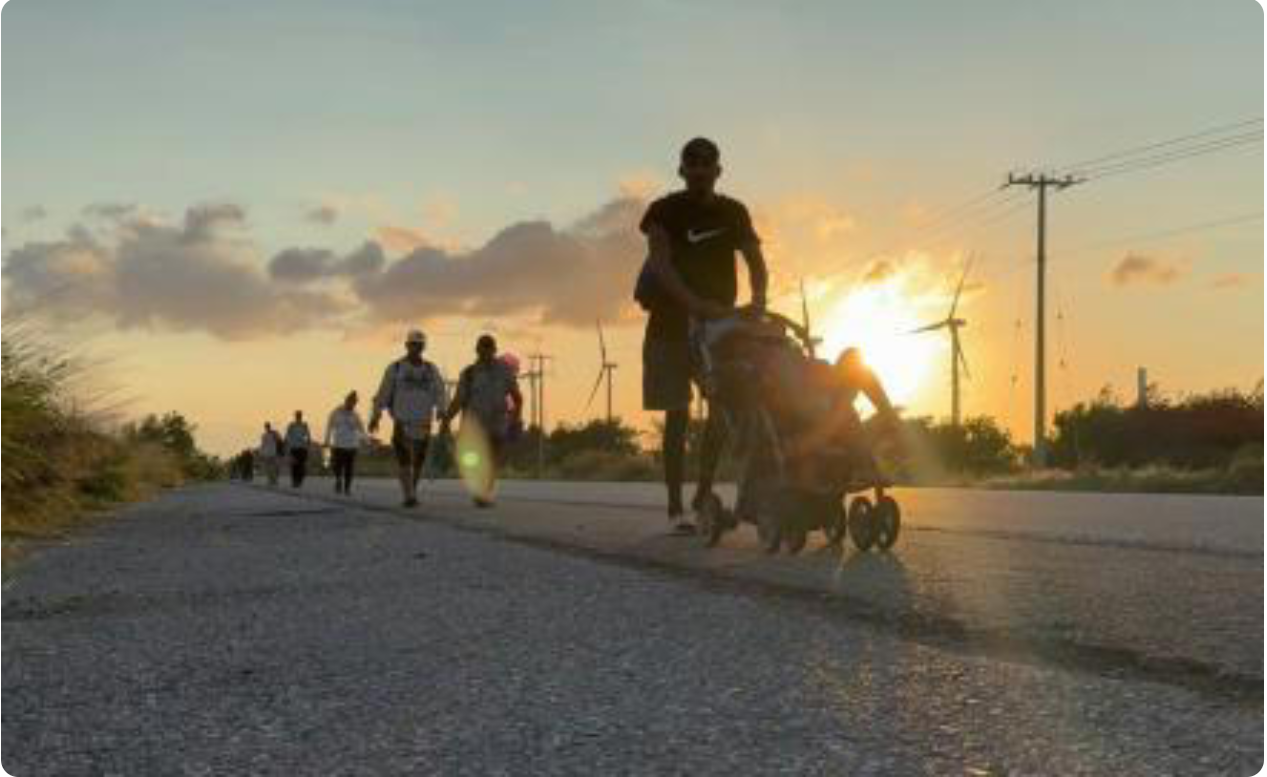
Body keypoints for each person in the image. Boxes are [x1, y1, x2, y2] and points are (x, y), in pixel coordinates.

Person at [639, 137, 769, 534]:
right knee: (677, 414)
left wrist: (759, 299)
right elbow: (661, 265)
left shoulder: (734, 212)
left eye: (706, 164)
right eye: (690, 164)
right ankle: (675, 506)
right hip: (670, 325)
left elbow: (754, 260)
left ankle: (705, 491)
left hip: (720, 326)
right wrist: (694, 304)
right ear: (681, 170)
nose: (698, 171)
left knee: (723, 406)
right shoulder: (663, 211)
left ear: (717, 171)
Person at [441, 334, 523, 507]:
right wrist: (446, 420)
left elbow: (517, 397)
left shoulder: (505, 371)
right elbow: (458, 400)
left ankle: (484, 493)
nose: (486, 352)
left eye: (489, 348)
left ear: (494, 350)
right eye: (482, 348)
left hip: (497, 424)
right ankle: (481, 492)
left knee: (493, 461)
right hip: (474, 426)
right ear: (477, 350)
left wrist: (515, 419)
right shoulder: (469, 374)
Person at [369, 329, 448, 507]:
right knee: (404, 458)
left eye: (419, 345)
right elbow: (383, 392)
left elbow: (440, 391)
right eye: (413, 344)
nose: (416, 348)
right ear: (407, 346)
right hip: (402, 420)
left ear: (423, 347)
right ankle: (409, 495)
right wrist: (376, 415)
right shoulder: (395, 368)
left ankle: (412, 490)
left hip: (423, 421)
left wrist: (442, 410)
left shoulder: (431, 369)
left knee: (418, 460)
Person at [324, 391, 368, 495]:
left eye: (354, 403)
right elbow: (329, 426)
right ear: (346, 401)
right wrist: (326, 440)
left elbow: (361, 429)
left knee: (349, 467)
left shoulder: (355, 415)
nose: (353, 404)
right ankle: (338, 480)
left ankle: (347, 488)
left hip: (352, 445)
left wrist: (366, 440)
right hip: (338, 444)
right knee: (337, 466)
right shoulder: (336, 412)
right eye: (351, 402)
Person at [285, 410, 312, 488]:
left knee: (301, 465)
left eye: (299, 415)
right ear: (295, 416)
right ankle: (294, 481)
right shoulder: (291, 425)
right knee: (294, 465)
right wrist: (287, 445)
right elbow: (287, 435)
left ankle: (299, 480)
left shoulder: (304, 425)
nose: (298, 417)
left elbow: (308, 435)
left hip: (302, 448)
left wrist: (308, 443)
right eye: (297, 415)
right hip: (294, 448)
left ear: (301, 416)